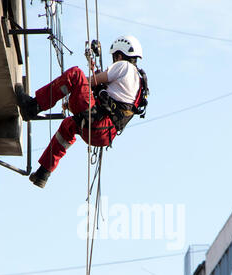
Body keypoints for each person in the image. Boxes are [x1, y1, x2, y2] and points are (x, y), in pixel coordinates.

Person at [15, 35, 148, 188]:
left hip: (98, 122)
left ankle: (32, 106)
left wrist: (74, 87)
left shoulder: (123, 66)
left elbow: (91, 81)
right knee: (68, 126)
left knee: (75, 74)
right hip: (103, 133)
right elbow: (108, 100)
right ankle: (43, 173)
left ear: (119, 55)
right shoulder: (137, 81)